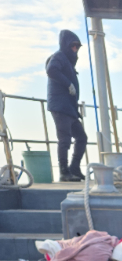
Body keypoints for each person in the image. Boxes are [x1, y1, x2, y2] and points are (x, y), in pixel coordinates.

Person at [46, 30, 88, 182]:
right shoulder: (59, 56)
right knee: (65, 139)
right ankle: (64, 172)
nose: (75, 49)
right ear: (65, 45)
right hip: (60, 106)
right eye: (73, 46)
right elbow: (51, 70)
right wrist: (68, 83)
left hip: (70, 108)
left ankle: (74, 167)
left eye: (77, 46)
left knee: (81, 137)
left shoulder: (68, 61)